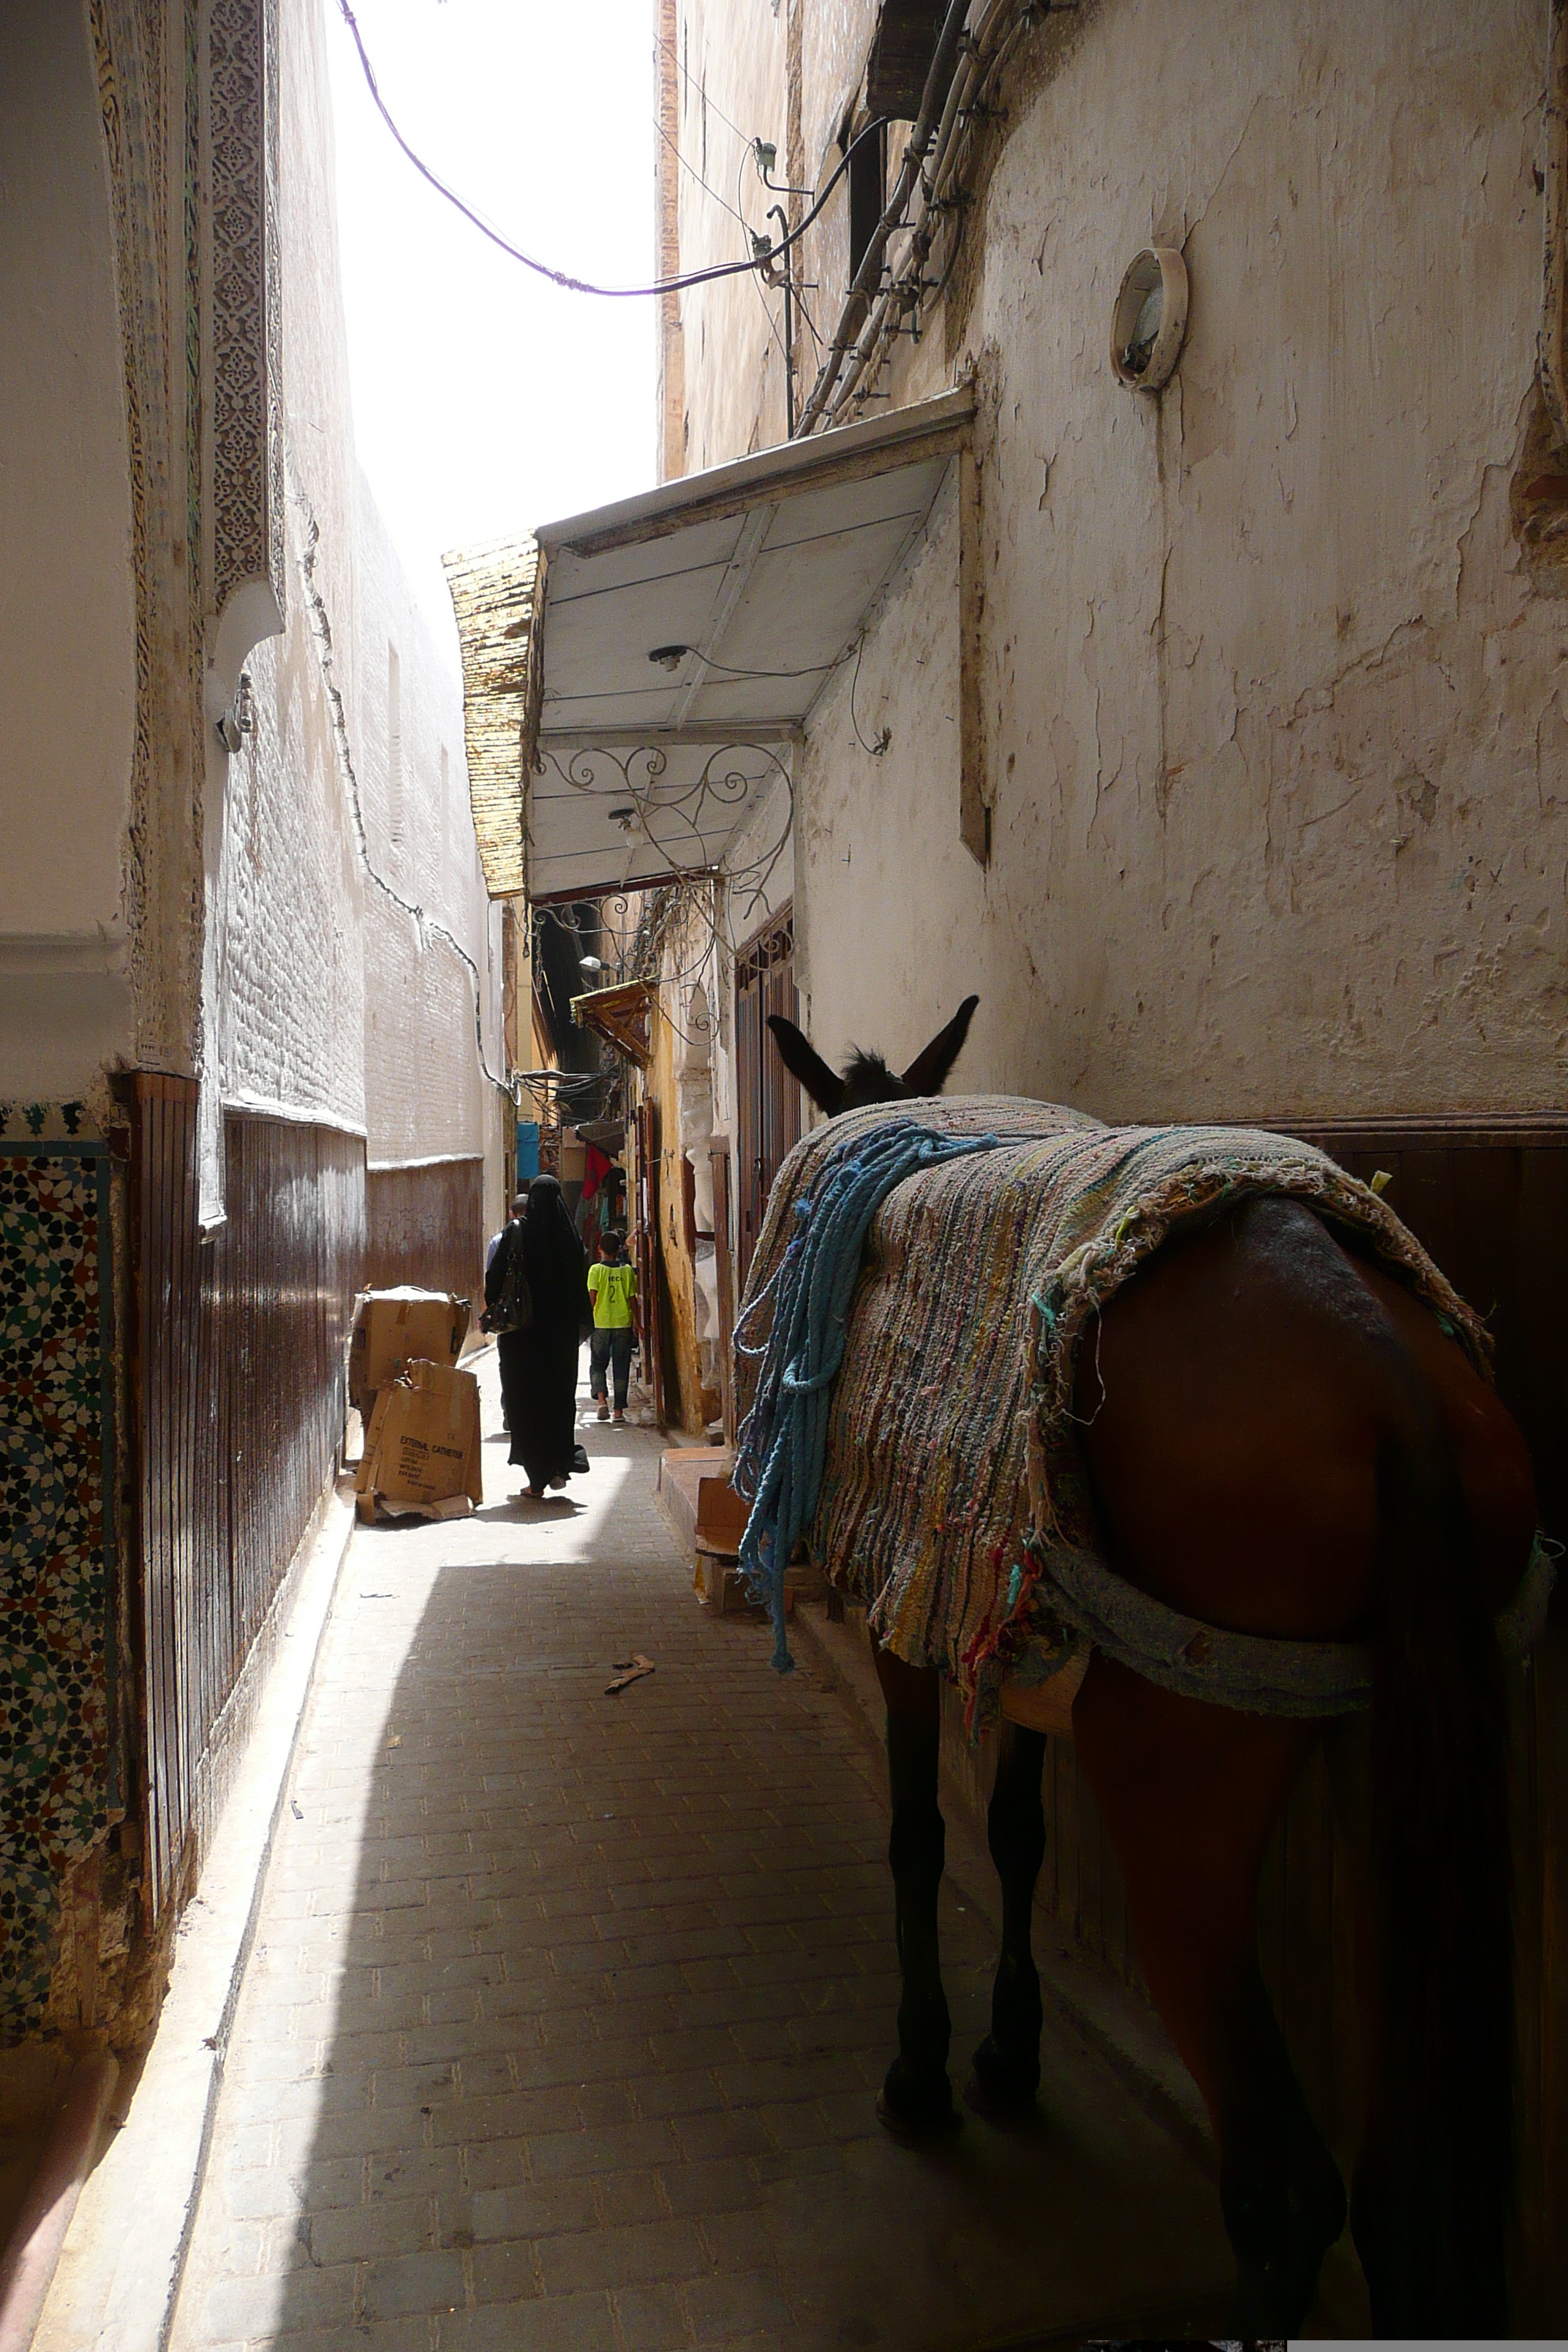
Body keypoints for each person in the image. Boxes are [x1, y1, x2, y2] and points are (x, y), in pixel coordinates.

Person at [485, 1173, 589, 1499]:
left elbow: (495, 1281)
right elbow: (579, 1289)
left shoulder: (517, 1234)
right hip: (559, 1342)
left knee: (526, 1402)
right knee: (558, 1402)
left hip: (522, 1340)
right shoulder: (571, 1240)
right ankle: (559, 1464)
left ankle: (536, 1479)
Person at [587, 1229, 637, 1423]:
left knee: (598, 1364)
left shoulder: (595, 1271)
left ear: (599, 1249)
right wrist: (637, 1322)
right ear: (619, 1250)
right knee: (621, 1365)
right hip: (623, 1324)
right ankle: (619, 1412)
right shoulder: (626, 1272)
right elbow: (632, 1299)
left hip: (601, 1324)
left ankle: (601, 1402)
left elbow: (593, 1298)